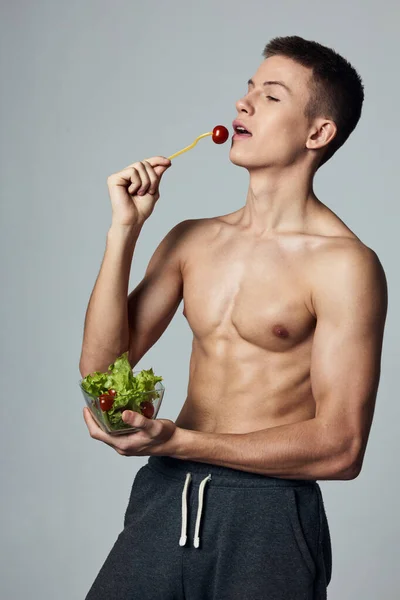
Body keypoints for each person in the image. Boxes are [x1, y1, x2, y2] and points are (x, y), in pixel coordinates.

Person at [80, 35, 388, 600]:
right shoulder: (192, 240)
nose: (243, 104)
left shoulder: (346, 266)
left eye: (270, 96)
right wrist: (124, 231)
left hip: (268, 515)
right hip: (165, 496)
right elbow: (101, 370)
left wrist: (177, 440)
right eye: (248, 90)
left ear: (318, 133)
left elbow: (342, 448)